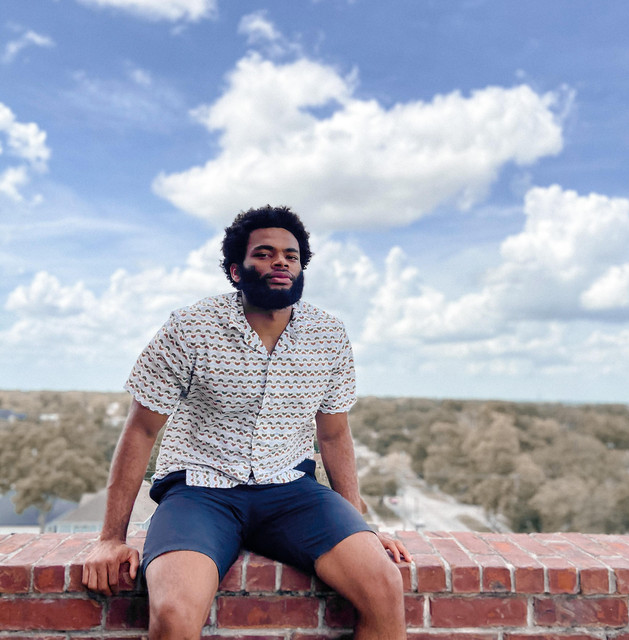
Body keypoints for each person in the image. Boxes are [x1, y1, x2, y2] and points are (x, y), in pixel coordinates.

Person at [83, 205, 411, 639]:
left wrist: (359, 525)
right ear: (236, 271)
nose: (281, 262)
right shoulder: (191, 328)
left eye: (291, 256)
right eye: (265, 253)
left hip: (292, 491)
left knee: (385, 587)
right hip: (200, 492)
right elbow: (141, 430)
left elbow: (333, 435)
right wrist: (111, 538)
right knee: (174, 613)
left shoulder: (329, 335)